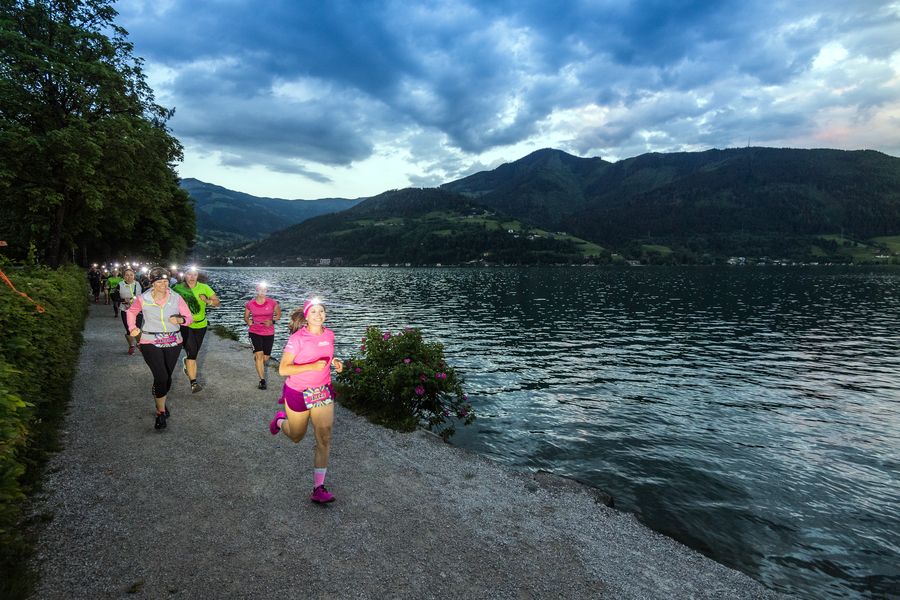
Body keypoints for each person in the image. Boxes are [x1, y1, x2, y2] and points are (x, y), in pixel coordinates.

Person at [269, 298, 344, 504]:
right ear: (306, 316)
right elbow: (283, 369)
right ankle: (280, 421)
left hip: (322, 391)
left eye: (321, 311)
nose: (318, 315)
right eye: (314, 312)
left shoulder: (329, 334)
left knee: (324, 437)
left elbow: (324, 356)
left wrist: (335, 362)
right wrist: (311, 366)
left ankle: (318, 488)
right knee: (296, 436)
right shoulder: (297, 338)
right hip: (298, 392)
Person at [126, 267, 193, 430]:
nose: (164, 285)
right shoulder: (143, 298)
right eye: (160, 282)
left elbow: (189, 318)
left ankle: (159, 394)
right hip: (150, 341)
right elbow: (131, 312)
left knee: (167, 378)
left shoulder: (176, 298)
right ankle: (160, 412)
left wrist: (180, 320)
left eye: (166, 281)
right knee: (161, 376)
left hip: (174, 341)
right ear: (152, 283)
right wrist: (132, 328)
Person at [172, 266, 220, 393]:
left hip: (201, 325)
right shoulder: (177, 288)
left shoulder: (204, 287)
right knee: (192, 352)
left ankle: (187, 362)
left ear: (197, 276)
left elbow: (217, 303)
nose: (192, 277)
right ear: (185, 275)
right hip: (185, 325)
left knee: (193, 353)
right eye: (189, 274)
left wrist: (208, 301)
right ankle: (193, 383)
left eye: (195, 274)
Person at [243, 282, 281, 390]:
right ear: (257, 290)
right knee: (259, 355)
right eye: (260, 290)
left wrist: (272, 321)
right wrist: (248, 321)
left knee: (265, 358)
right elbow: (246, 317)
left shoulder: (272, 303)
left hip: (269, 332)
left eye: (264, 290)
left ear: (267, 290)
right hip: (254, 331)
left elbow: (278, 315)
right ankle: (262, 381)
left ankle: (258, 361)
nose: (262, 292)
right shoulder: (250, 303)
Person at [118, 268, 143, 355]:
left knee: (137, 328)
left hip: (137, 310)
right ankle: (131, 345)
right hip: (125, 310)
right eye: (127, 275)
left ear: (134, 276)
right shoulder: (120, 285)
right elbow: (114, 296)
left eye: (131, 275)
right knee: (129, 329)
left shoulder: (138, 284)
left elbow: (144, 295)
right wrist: (123, 300)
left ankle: (139, 343)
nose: (129, 277)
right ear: (124, 276)